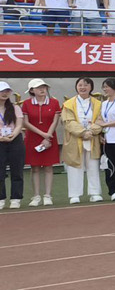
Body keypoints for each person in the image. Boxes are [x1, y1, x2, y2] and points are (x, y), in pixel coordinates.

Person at [61, 77, 105, 204]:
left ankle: (95, 193)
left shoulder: (98, 104)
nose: (82, 87)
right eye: (80, 85)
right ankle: (75, 195)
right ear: (76, 87)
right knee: (75, 166)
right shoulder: (68, 104)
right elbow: (68, 122)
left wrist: (91, 131)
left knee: (93, 166)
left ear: (91, 87)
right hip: (75, 139)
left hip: (92, 138)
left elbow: (101, 120)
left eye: (86, 85)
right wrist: (83, 132)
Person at [21, 78, 60, 206]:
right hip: (33, 138)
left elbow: (55, 121)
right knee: (35, 168)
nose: (42, 89)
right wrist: (42, 134)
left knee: (49, 167)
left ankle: (48, 195)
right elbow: (25, 122)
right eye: (38, 87)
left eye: (44, 87)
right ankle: (36, 196)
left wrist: (47, 137)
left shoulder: (54, 102)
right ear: (32, 90)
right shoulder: (26, 103)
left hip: (50, 138)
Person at [0, 82, 23, 210]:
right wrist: (1, 138)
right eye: (2, 91)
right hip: (0, 141)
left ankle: (16, 198)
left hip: (15, 140)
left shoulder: (15, 107)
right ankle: (1, 198)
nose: (4, 93)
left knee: (17, 170)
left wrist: (13, 135)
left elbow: (19, 124)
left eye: (7, 91)